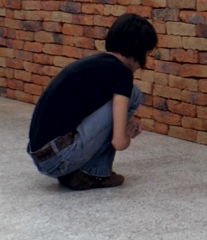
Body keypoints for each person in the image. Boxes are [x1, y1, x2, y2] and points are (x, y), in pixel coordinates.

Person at [27, 13, 158, 191]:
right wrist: (127, 135)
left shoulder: (95, 65)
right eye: (147, 53)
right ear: (138, 49)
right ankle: (96, 172)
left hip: (42, 157)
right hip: (59, 159)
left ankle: (78, 174)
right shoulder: (121, 74)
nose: (146, 61)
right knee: (134, 94)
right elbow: (119, 142)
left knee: (123, 99)